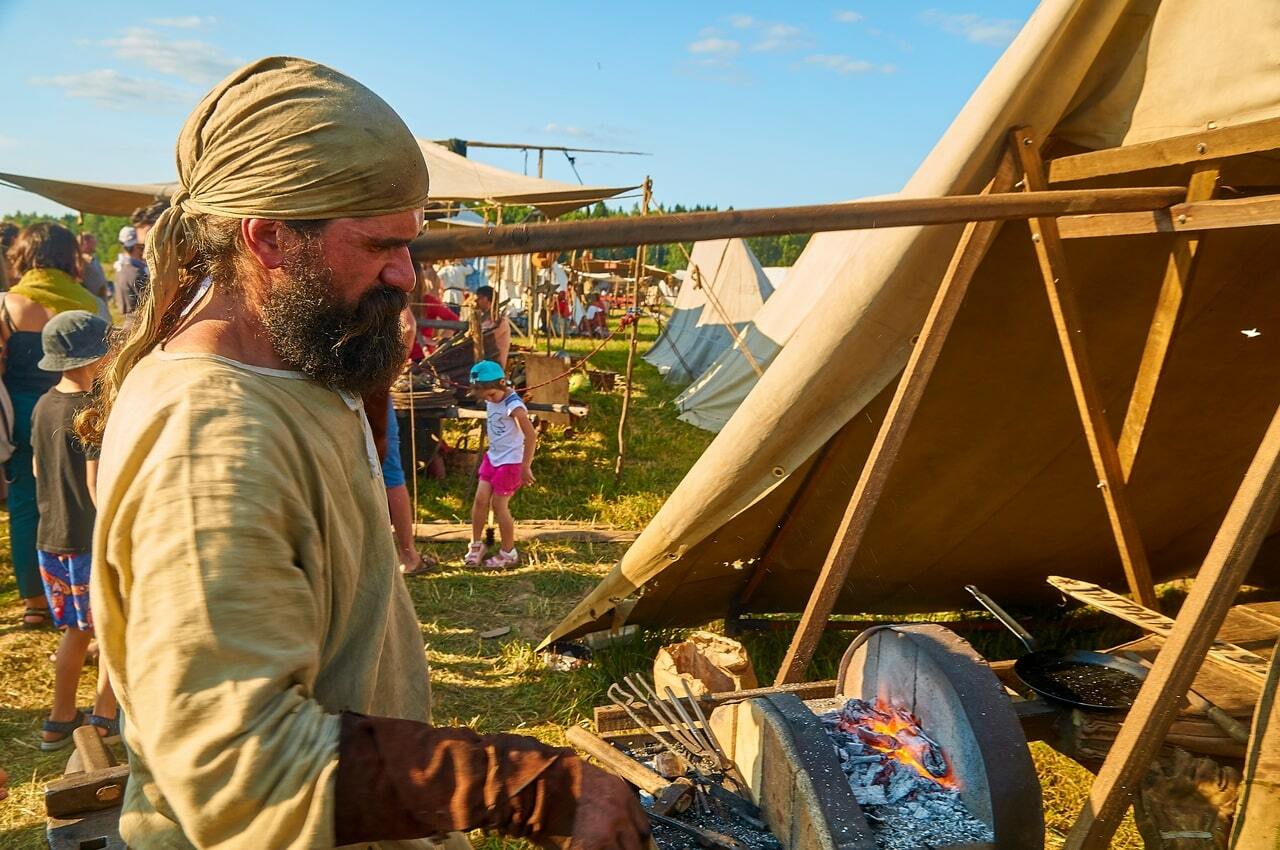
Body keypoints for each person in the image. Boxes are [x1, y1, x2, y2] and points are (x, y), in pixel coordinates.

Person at [80, 56, 647, 850]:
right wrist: (524, 787)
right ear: (269, 236)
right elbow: (239, 762)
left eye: (410, 244)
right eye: (380, 244)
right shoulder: (208, 440)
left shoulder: (289, 352)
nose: (405, 273)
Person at [4, 223, 102, 630]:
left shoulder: (8, 304)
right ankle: (90, 599)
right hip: (81, 413)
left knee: (27, 503)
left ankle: (35, 601)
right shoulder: (90, 304)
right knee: (85, 500)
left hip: (25, 414)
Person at [32, 310, 118, 749]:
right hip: (87, 541)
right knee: (106, 630)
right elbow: (94, 482)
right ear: (90, 360)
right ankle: (105, 717)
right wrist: (115, 533)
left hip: (51, 539)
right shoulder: (90, 412)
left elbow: (35, 468)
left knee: (75, 631)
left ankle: (59, 718)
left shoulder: (44, 405)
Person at [464, 360, 536, 570]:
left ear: (502, 385)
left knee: (499, 506)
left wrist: (525, 466)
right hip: (493, 458)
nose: (488, 399)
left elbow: (531, 435)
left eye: (491, 395)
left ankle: (508, 552)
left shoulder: (513, 406)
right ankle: (477, 544)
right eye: (484, 397)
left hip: (510, 463)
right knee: (480, 501)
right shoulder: (492, 394)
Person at [112, 226, 147, 316]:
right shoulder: (135, 271)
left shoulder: (120, 268)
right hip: (138, 320)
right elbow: (149, 301)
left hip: (128, 320)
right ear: (136, 246)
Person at [474, 283, 512, 366]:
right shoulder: (482, 320)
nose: (476, 301)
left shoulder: (500, 321)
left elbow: (486, 340)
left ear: (487, 299)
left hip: (494, 365)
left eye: (479, 298)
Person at [78, 233, 109, 300]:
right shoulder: (81, 261)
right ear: (85, 243)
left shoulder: (93, 258)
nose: (95, 244)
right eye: (93, 242)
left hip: (101, 299)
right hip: (91, 301)